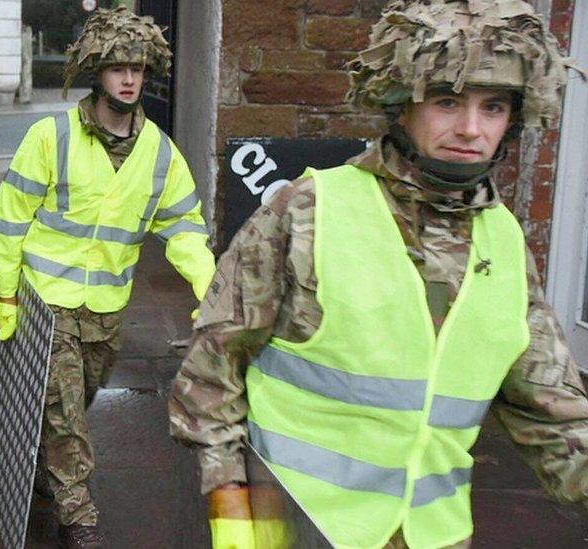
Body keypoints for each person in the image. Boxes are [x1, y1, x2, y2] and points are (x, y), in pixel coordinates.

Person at [168, 1, 588, 547]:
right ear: (401, 105)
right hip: (303, 525)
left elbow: (551, 410)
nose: (469, 128)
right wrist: (229, 512)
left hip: (435, 534)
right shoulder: (308, 211)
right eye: (446, 101)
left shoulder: (505, 240)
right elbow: (213, 368)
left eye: (493, 108)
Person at [0, 7, 216, 548]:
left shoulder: (161, 153)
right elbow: (8, 218)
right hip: (47, 301)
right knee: (65, 411)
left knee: (78, 397)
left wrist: (212, 289)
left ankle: (51, 468)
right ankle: (78, 514)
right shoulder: (51, 137)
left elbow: (185, 228)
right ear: (97, 71)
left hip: (107, 308)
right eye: (118, 68)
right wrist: (5, 293)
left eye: (138, 68)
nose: (130, 79)